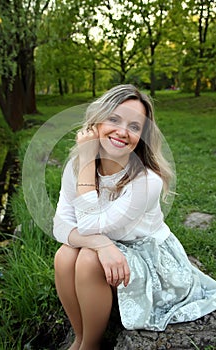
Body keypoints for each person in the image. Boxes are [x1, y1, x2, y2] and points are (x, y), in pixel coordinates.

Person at [53, 84, 216, 350]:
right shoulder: (76, 167)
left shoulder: (146, 180)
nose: (122, 132)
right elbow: (60, 224)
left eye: (134, 126)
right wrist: (102, 244)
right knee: (64, 256)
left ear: (142, 136)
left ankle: (90, 346)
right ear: (95, 124)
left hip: (149, 257)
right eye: (113, 119)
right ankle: (80, 337)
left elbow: (87, 224)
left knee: (87, 260)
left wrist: (85, 162)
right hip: (107, 248)